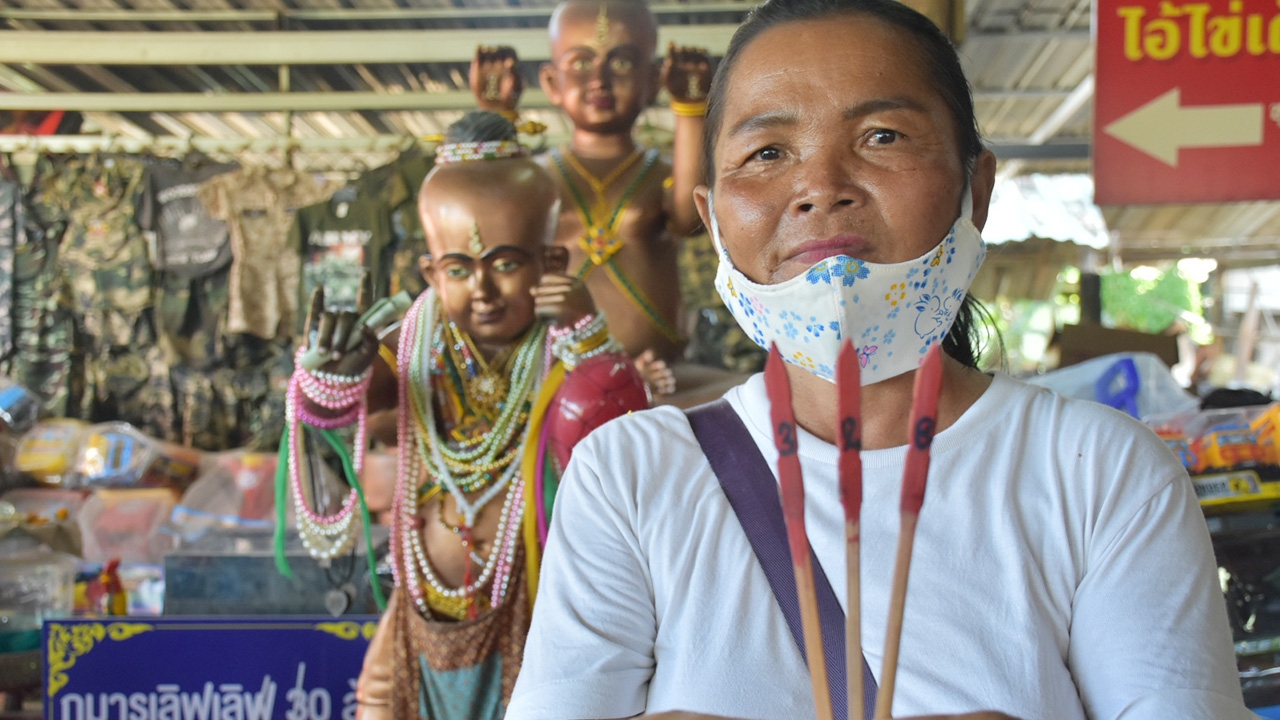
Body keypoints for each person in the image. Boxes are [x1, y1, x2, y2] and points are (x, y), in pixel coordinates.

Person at [505, 1, 1254, 718]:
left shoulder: (1098, 474)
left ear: (976, 187)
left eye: (883, 137)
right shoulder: (631, 478)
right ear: (711, 219)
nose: (820, 188)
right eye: (767, 152)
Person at [284, 111, 649, 720]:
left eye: (505, 264)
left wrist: (587, 336)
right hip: (422, 602)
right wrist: (331, 368)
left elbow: (622, 451)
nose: (481, 288)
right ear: (431, 272)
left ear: (549, 262)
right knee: (380, 699)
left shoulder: (569, 349)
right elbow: (344, 402)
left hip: (538, 603)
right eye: (458, 269)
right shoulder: (413, 341)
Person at [472, 0, 715, 399]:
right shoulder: (534, 175)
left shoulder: (661, 171)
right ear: (551, 83)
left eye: (620, 64)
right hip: (557, 371)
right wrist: (494, 122)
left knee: (762, 399)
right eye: (581, 63)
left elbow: (689, 220)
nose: (599, 80)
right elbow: (485, 229)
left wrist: (690, 110)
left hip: (661, 372)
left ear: (655, 80)